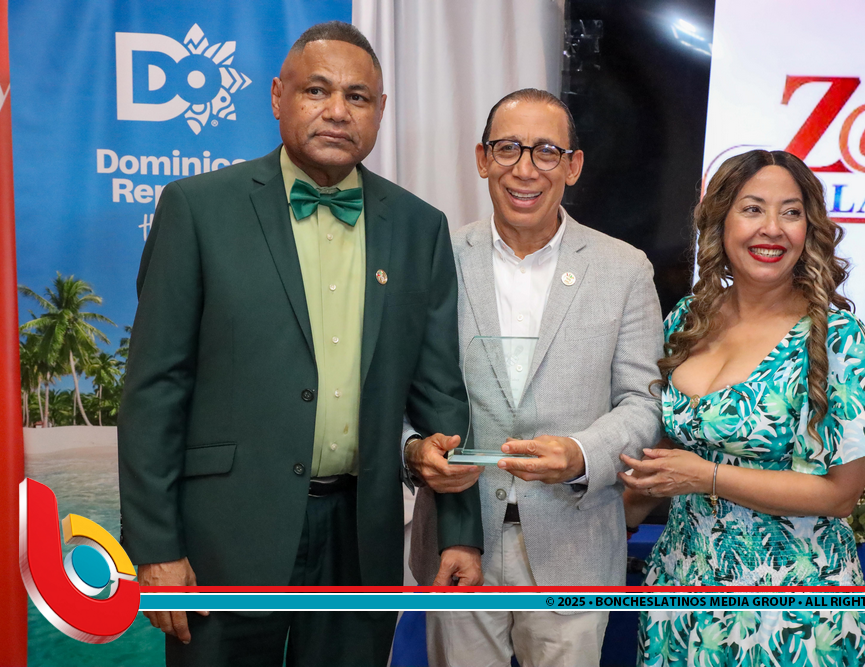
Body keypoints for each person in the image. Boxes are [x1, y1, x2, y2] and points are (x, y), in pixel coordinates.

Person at [117, 21, 482, 667]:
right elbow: (155, 389)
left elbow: (440, 394)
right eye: (317, 90)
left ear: (380, 110)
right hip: (222, 543)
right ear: (277, 96)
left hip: (360, 541)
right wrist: (154, 545)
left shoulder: (419, 227)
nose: (338, 111)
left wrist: (460, 532)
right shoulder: (198, 208)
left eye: (357, 96)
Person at [406, 89, 664, 667]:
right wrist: (413, 449)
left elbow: (644, 402)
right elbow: (398, 388)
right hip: (458, 544)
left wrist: (581, 453)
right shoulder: (436, 257)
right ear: (482, 159)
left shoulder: (624, 269)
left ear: (573, 166)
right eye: (508, 149)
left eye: (547, 151)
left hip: (575, 545)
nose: (525, 169)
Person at [622, 149, 865, 666]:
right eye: (753, 209)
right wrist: (608, 521)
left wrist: (707, 477)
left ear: (809, 229)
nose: (772, 228)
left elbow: (840, 495)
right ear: (721, 222)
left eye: (791, 212)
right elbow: (662, 453)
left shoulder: (839, 337)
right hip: (682, 590)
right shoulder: (688, 318)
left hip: (791, 609)